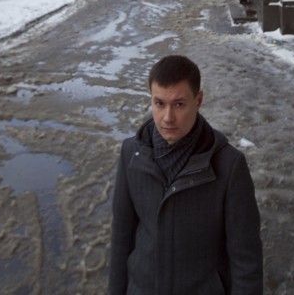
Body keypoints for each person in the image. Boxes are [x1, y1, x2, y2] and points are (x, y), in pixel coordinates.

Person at [108, 54, 263, 295]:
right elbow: (121, 239)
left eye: (179, 104)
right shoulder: (131, 154)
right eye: (159, 104)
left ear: (198, 99)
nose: (167, 117)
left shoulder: (229, 166)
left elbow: (246, 261)